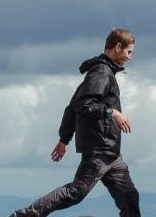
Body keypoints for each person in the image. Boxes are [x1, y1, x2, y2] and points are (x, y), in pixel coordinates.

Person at [9, 28, 141, 217]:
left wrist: (64, 139)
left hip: (112, 154)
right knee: (76, 192)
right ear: (118, 47)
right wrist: (112, 112)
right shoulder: (101, 72)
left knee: (129, 197)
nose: (130, 57)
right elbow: (84, 105)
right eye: (129, 52)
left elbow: (71, 108)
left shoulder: (101, 71)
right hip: (100, 150)